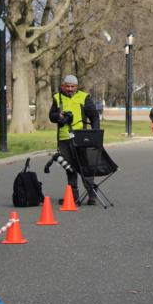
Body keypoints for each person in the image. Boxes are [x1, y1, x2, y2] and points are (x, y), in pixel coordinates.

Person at [49, 74, 101, 206]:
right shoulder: (57, 97)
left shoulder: (84, 97)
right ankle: (72, 196)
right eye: (68, 86)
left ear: (77, 87)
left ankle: (92, 195)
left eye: (73, 86)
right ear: (63, 86)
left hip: (81, 138)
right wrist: (59, 116)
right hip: (64, 138)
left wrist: (95, 133)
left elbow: (94, 116)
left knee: (84, 166)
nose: (70, 89)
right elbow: (51, 116)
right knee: (69, 168)